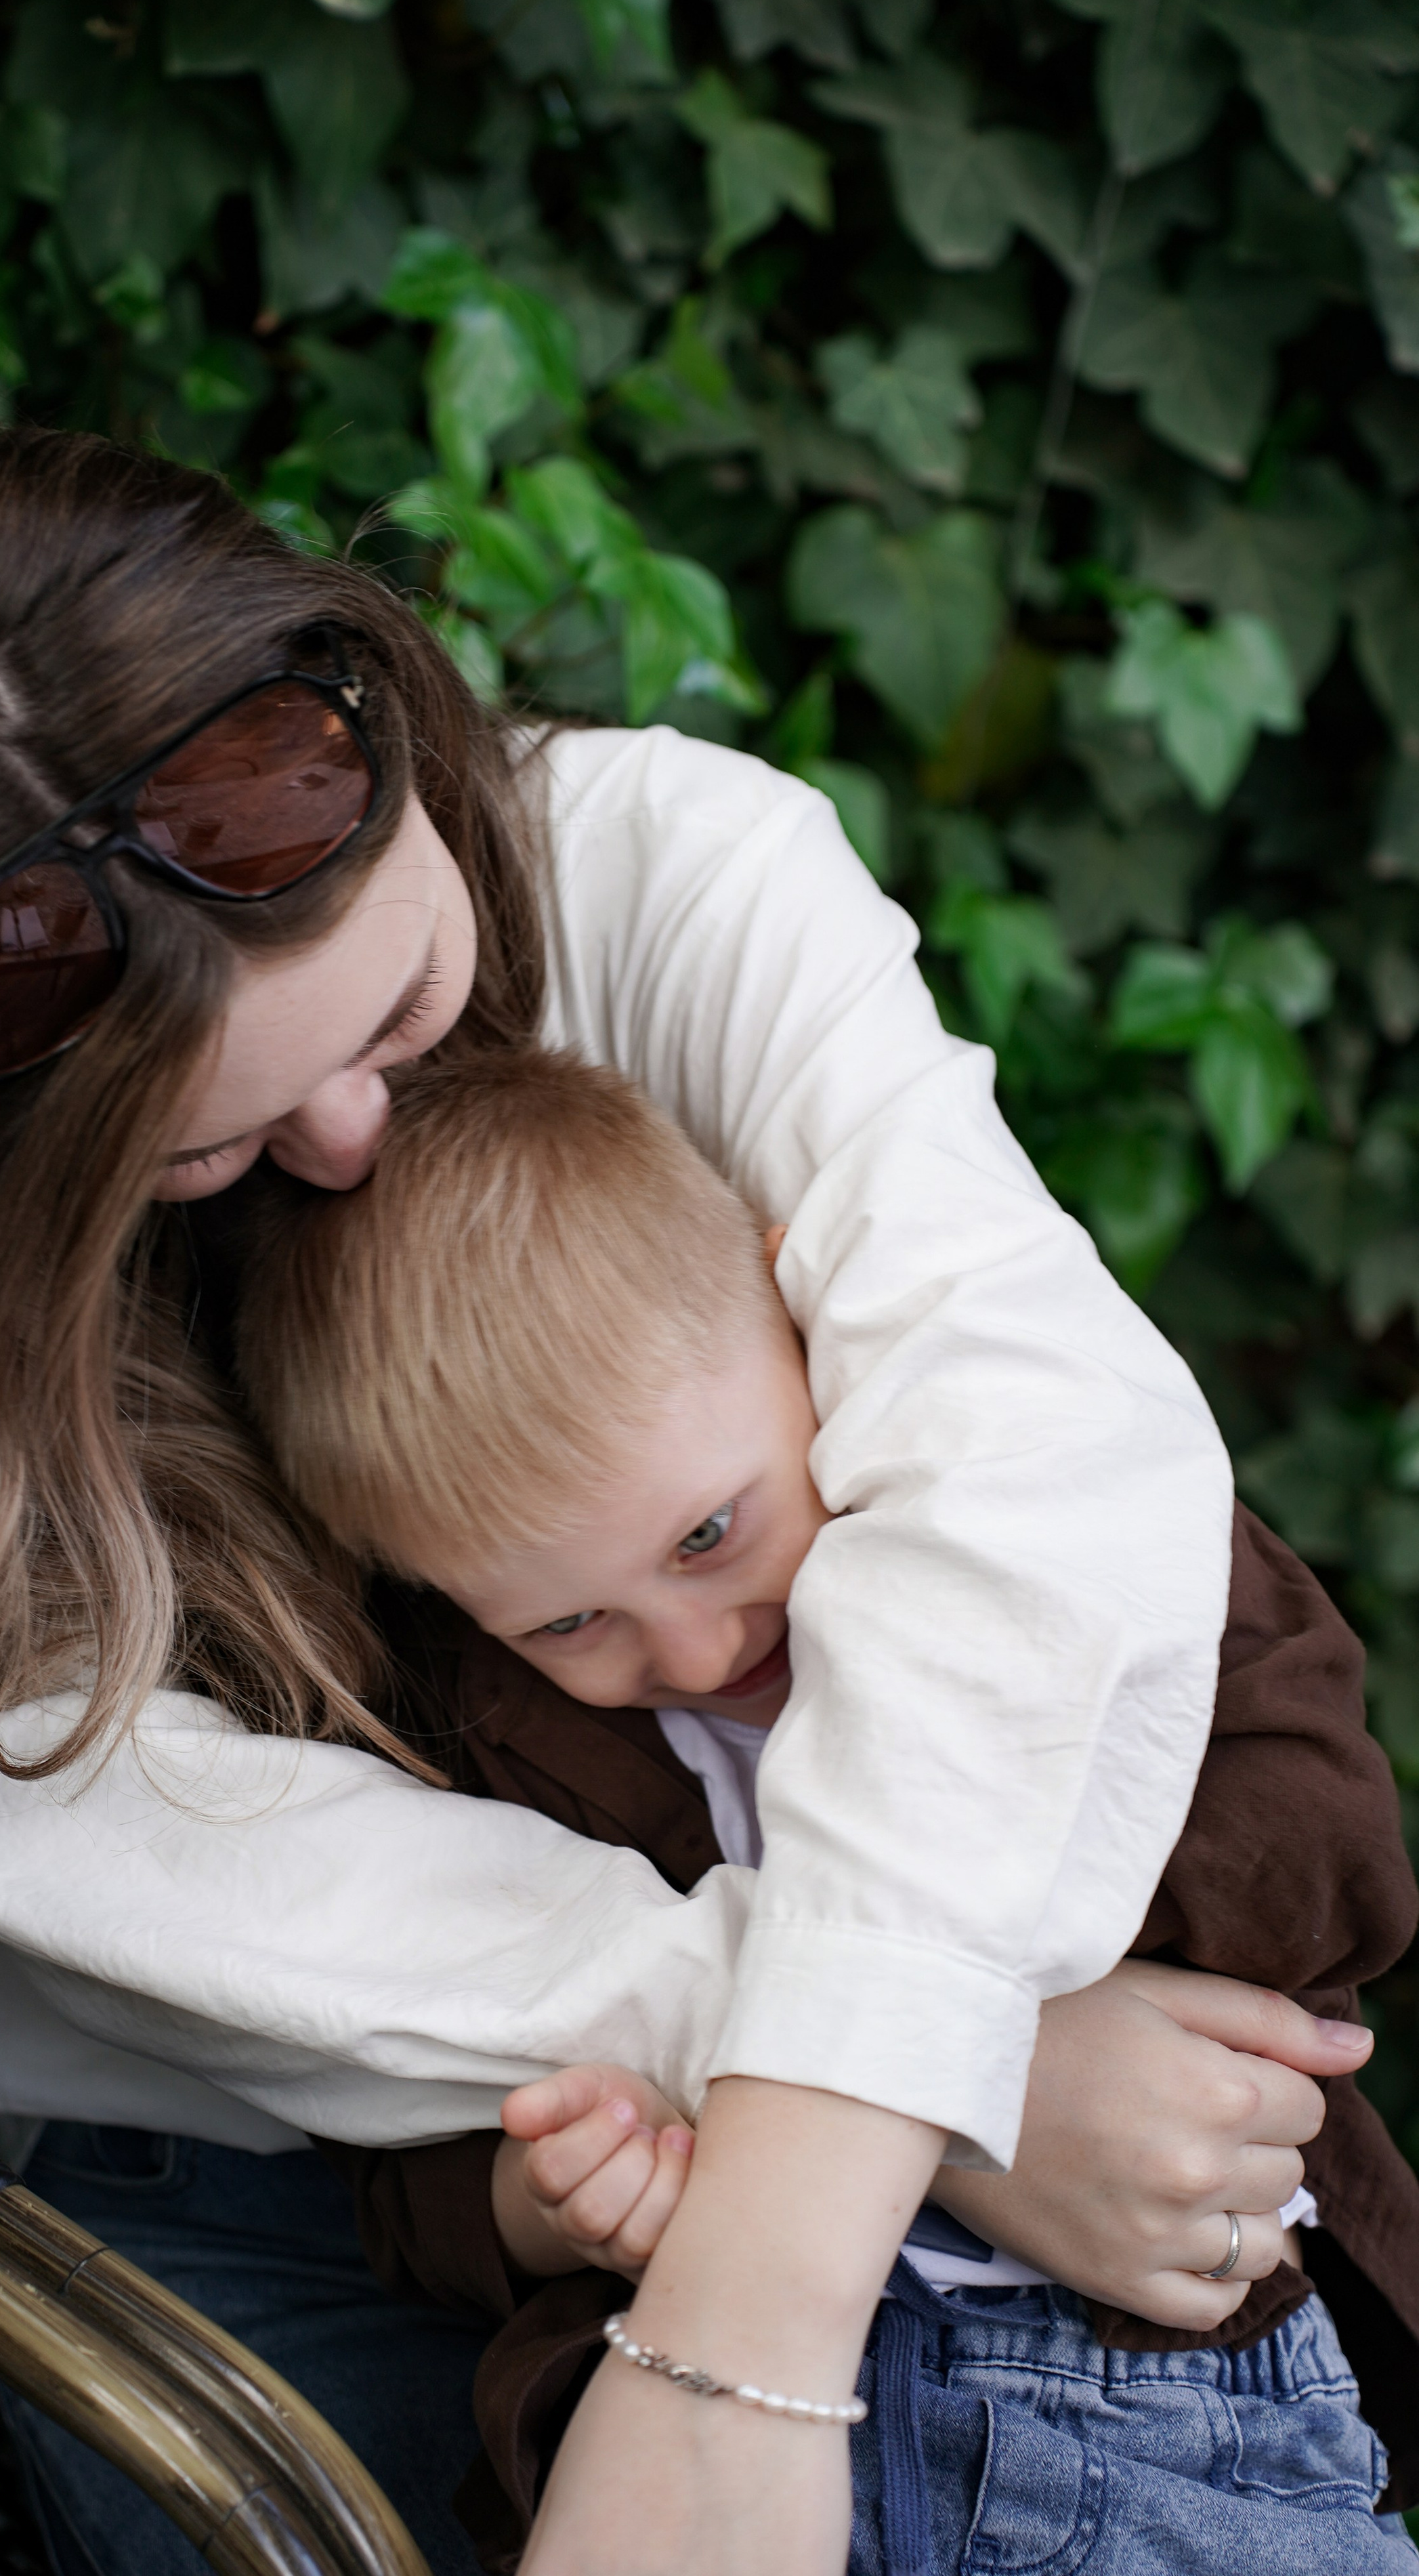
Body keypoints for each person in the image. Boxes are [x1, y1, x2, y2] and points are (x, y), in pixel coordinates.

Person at [0, 429, 1363, 2576]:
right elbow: (258, 1912)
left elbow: (1028, 1477)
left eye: (397, 1009)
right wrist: (961, 2088)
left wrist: (775, 2262)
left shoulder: (668, 873)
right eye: (202, 1153)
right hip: (294, 2169)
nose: (355, 1140)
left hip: (910, 2018)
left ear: (384, 723)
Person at [238, 1045, 1419, 2569]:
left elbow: (1323, 1842)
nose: (692, 1649)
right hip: (706, 2403)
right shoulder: (485, 1747)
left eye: (708, 1533)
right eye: (566, 1623)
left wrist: (942, 2001)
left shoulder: (1029, 1535)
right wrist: (548, 2198)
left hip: (1158, 2385)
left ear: (797, 1313)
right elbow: (406, 2175)